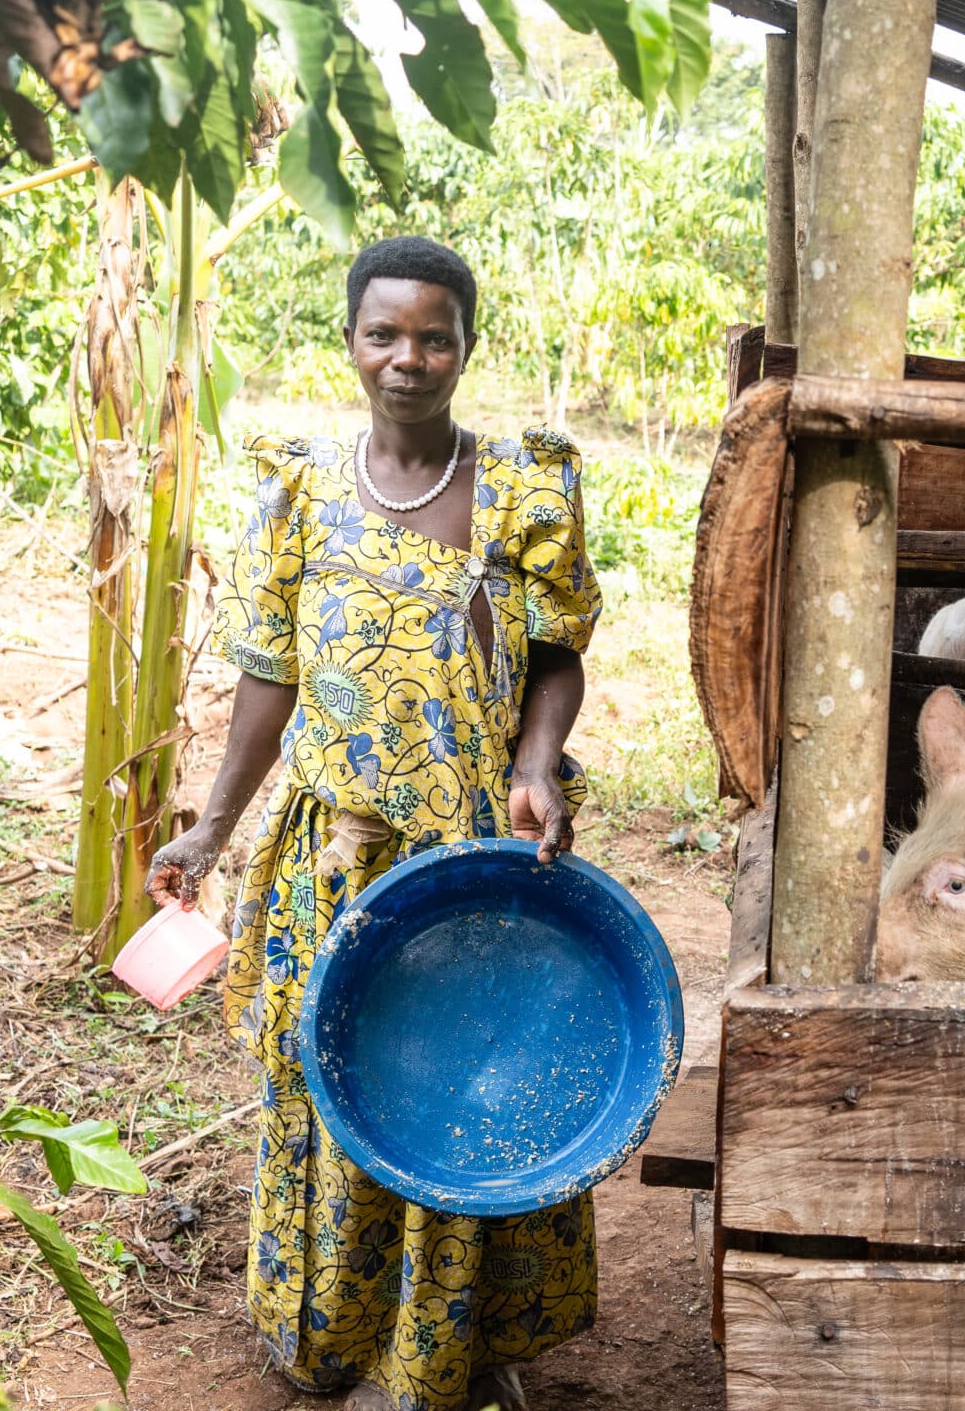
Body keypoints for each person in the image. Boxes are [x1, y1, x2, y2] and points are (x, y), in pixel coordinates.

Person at [148, 236, 601, 1411]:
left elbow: (557, 657)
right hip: (338, 862)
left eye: (434, 335)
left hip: (471, 861)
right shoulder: (301, 487)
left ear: (465, 345)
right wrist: (209, 829)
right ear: (350, 341)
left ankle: (448, 1350)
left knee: (466, 1086)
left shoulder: (523, 487)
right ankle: (337, 1337)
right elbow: (267, 680)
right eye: (384, 334)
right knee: (337, 1086)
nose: (409, 358)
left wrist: (538, 765)